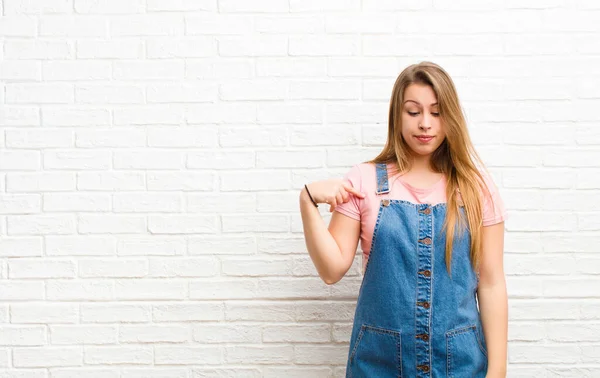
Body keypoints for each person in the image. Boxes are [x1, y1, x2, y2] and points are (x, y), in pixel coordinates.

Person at [299, 61, 508, 377]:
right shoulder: (364, 180)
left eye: (436, 113)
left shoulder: (476, 188)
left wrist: (498, 369)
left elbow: (491, 283)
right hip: (379, 363)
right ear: (397, 116)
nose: (425, 123)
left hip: (461, 364)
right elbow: (331, 270)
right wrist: (307, 202)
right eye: (413, 112)